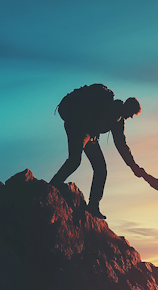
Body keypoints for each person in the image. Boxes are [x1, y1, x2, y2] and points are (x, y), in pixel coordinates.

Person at [50, 84, 143, 219]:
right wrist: (133, 167)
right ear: (128, 107)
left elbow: (121, 145)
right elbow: (121, 145)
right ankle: (53, 186)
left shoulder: (118, 120)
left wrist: (133, 166)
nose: (131, 117)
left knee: (101, 168)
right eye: (132, 113)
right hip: (77, 126)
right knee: (75, 160)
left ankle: (93, 206)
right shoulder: (112, 108)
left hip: (90, 135)